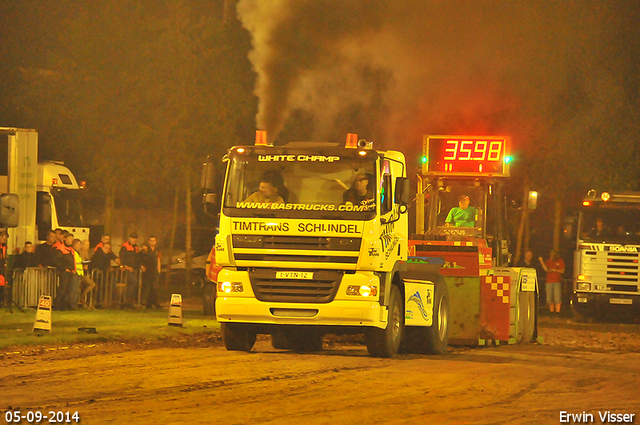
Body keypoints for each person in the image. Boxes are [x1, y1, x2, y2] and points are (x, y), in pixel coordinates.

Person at [119, 232, 143, 307]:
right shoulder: (124, 247)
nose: (134, 240)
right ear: (129, 238)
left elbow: (137, 258)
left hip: (134, 269)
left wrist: (140, 265)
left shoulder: (136, 247)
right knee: (133, 282)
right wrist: (126, 267)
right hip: (127, 270)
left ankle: (129, 301)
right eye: (133, 238)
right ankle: (126, 301)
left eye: (135, 239)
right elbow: (122, 258)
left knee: (133, 284)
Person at [538, 249, 565, 315]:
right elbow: (546, 269)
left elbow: (562, 270)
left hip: (557, 281)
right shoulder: (548, 261)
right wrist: (541, 261)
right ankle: (551, 312)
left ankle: (558, 312)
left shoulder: (560, 261)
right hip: (549, 282)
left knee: (557, 297)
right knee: (549, 298)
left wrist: (554, 270)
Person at [53, 232, 75, 310]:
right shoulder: (60, 249)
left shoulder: (71, 249)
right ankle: (57, 306)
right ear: (65, 239)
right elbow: (57, 260)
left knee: (67, 290)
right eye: (69, 238)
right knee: (62, 289)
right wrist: (64, 268)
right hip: (64, 272)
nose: (71, 240)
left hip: (71, 272)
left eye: (72, 239)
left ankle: (64, 306)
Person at [140, 236, 161, 309]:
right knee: (147, 287)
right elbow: (140, 257)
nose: (152, 242)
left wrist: (159, 270)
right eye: (151, 240)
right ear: (148, 241)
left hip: (154, 271)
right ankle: (146, 303)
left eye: (154, 240)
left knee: (154, 287)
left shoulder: (157, 250)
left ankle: (154, 302)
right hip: (147, 270)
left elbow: (158, 259)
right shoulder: (145, 249)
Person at [76, 239, 96, 306]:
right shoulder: (79, 252)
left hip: (85, 272)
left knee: (86, 285)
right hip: (79, 272)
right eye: (85, 244)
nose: (87, 246)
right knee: (91, 284)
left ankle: (82, 297)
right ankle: (81, 297)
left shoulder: (88, 253)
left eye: (88, 245)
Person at [0, 231, 7, 307]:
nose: (4, 238)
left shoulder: (4, 247)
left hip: (1, 267)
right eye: (2, 237)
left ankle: (1, 301)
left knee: (2, 282)